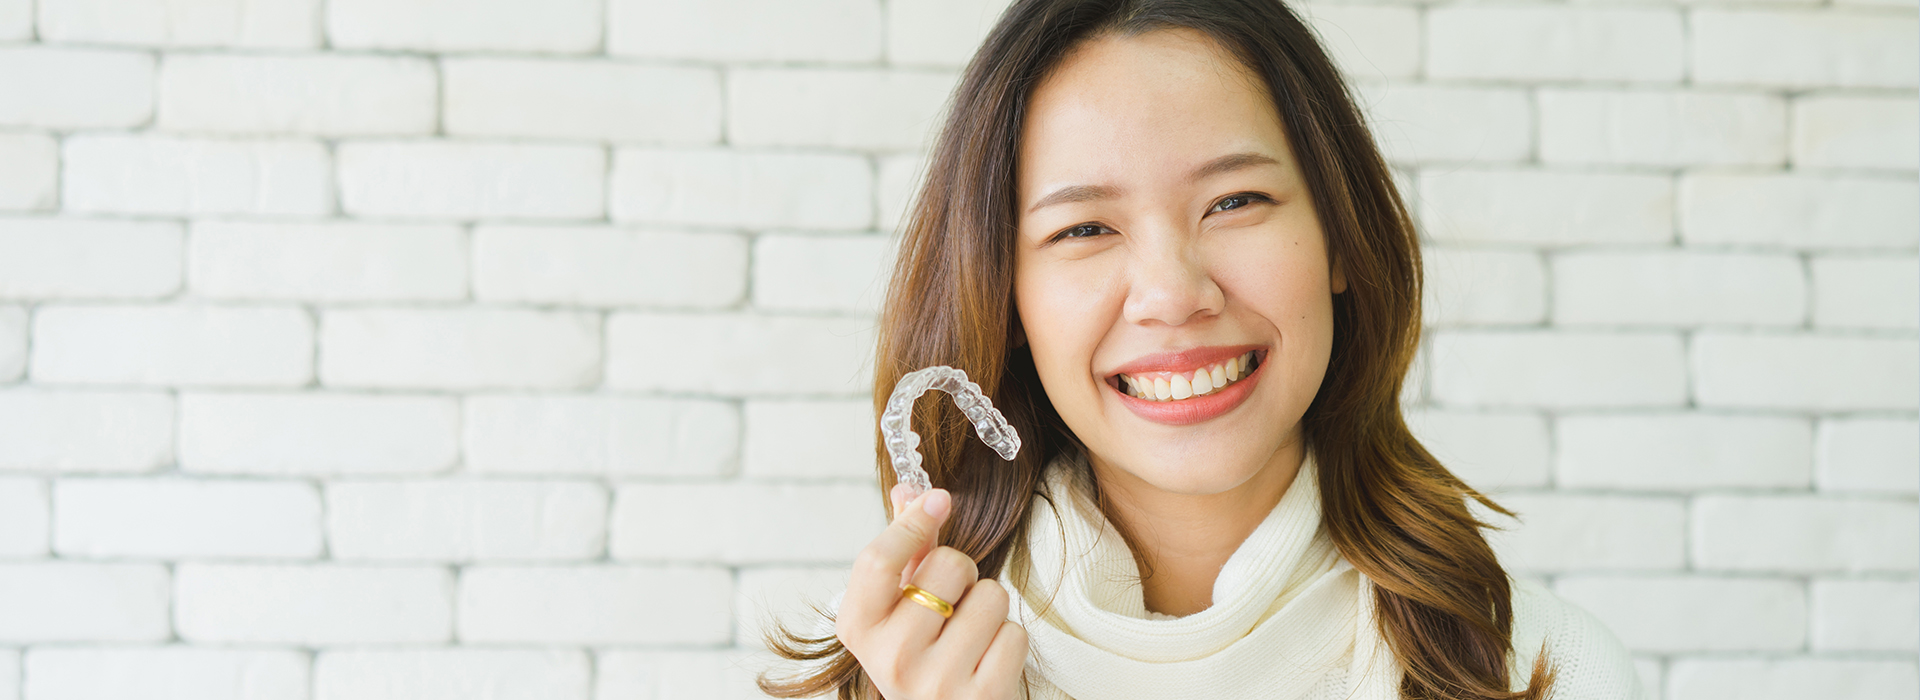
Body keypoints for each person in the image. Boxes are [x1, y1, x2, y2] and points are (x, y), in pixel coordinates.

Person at [764, 1, 1643, 698]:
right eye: (1084, 228)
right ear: (1010, 299)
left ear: (1340, 234)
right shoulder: (887, 680)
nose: (1175, 294)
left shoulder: (1547, 671)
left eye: (1235, 203)